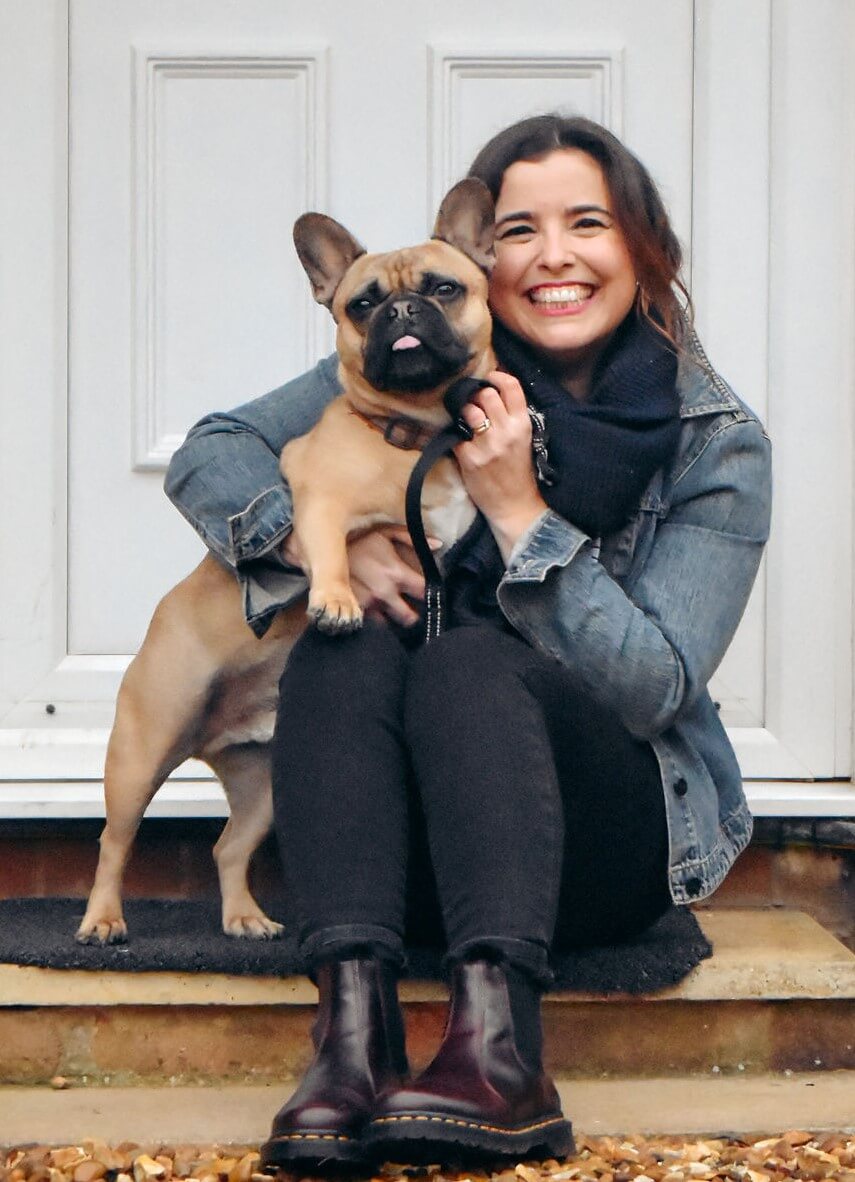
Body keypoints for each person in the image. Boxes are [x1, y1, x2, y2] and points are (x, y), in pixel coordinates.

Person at [165, 115, 771, 1167]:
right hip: (406, 855)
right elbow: (213, 451)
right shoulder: (423, 360)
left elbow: (652, 688)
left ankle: (504, 1055)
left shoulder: (714, 442)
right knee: (341, 639)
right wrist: (321, 556)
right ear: (486, 251)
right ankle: (351, 1037)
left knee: (476, 653)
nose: (550, 255)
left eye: (587, 223)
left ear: (642, 248)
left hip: (600, 851)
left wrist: (521, 519)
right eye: (519, 228)